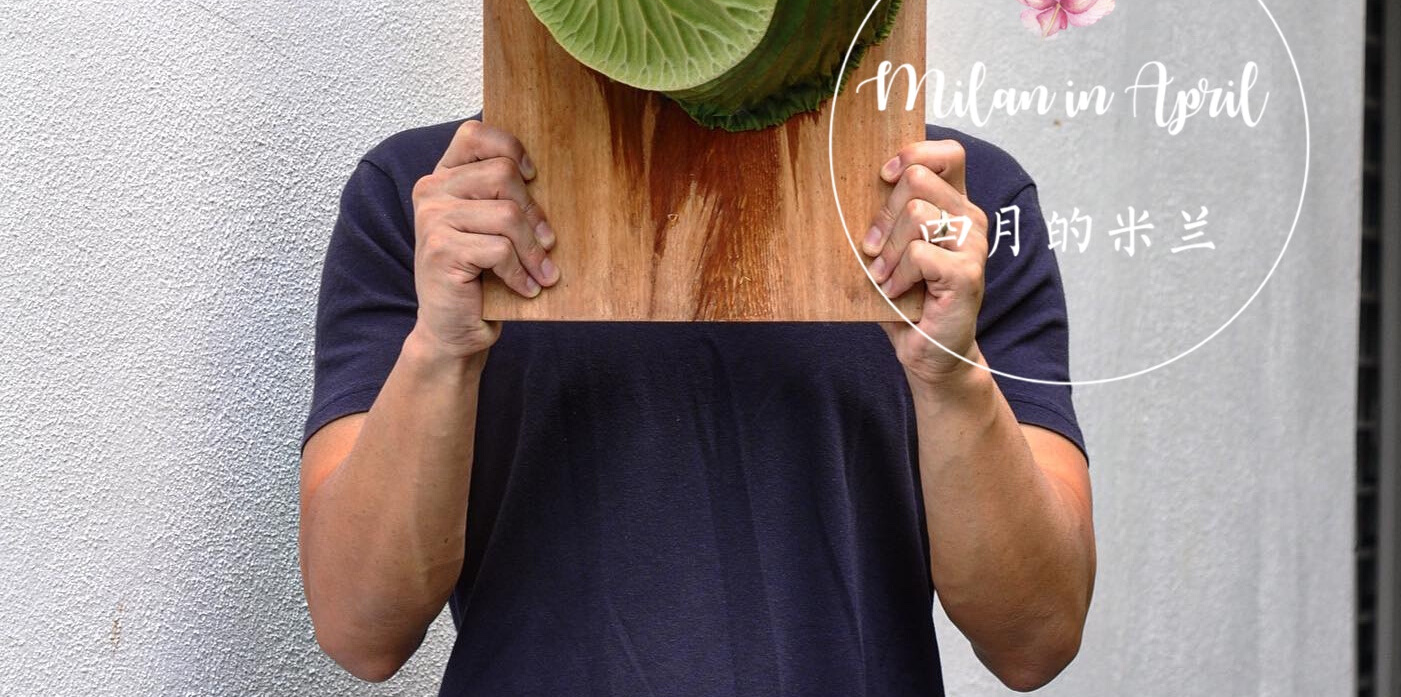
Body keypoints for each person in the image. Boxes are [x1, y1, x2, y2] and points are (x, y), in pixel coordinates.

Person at [297, 112, 1095, 694]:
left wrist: (951, 374)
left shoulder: (956, 208)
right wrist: (440, 346)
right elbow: (361, 629)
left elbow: (1036, 637)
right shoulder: (438, 204)